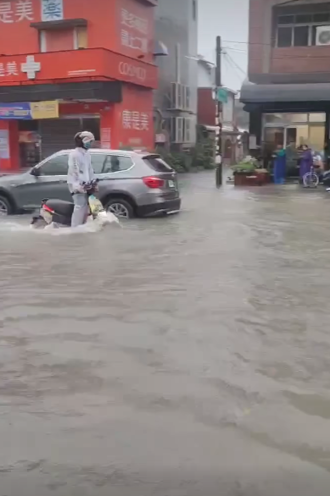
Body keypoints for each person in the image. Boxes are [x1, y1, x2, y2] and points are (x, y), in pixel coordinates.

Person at [67, 131, 95, 227]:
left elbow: (90, 170)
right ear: (83, 141)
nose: (91, 144)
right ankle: (75, 228)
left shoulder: (87, 154)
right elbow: (74, 171)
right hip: (76, 185)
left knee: (87, 207)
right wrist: (78, 186)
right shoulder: (74, 154)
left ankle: (83, 226)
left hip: (86, 185)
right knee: (79, 206)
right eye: (90, 141)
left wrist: (93, 183)